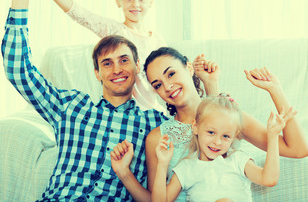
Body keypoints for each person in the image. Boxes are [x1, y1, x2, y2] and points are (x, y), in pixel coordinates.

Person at [2, 0, 170, 201]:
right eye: (107, 63)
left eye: (124, 61)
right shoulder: (71, 106)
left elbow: (202, 128)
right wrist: (20, 0)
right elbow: (19, 71)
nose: (117, 69)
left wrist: (210, 85)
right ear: (97, 73)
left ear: (138, 66)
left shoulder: (155, 123)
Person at [110, 47, 308, 201]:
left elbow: (298, 149)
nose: (168, 87)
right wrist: (124, 173)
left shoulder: (228, 115)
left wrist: (275, 90)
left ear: (188, 68)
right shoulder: (158, 138)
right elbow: (157, 200)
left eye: (171, 74)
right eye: (158, 85)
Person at [21, 0, 167, 111]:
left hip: (153, 110)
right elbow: (81, 14)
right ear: (118, 1)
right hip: (126, 110)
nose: (135, 4)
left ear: (151, 1)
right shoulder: (116, 31)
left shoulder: (157, 41)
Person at [151, 95, 296, 202]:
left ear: (234, 136)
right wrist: (162, 165)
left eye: (226, 136)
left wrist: (272, 136)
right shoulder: (186, 168)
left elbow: (269, 179)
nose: (217, 142)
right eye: (211, 132)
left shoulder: (238, 159)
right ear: (195, 127)